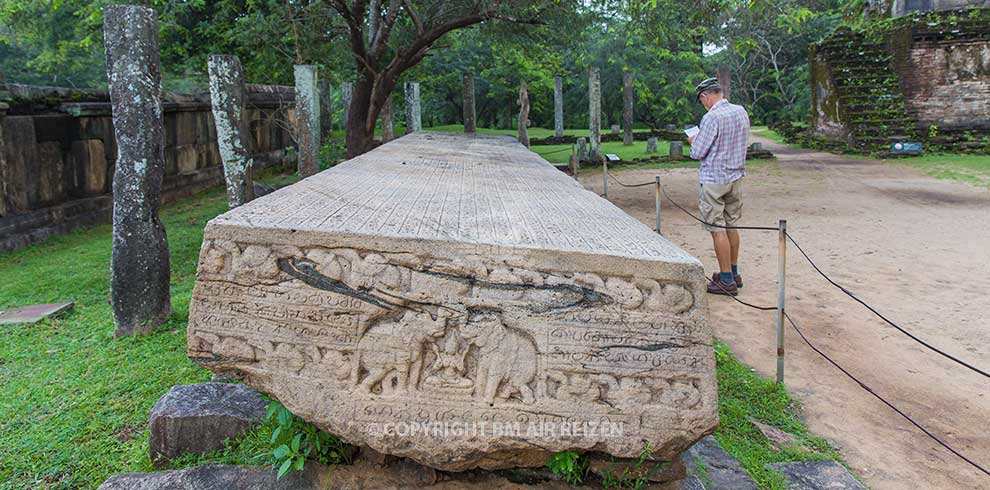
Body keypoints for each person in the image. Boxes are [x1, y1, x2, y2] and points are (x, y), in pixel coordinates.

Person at [687, 77, 750, 296]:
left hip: (715, 178)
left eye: (702, 100)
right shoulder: (740, 111)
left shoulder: (711, 117)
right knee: (731, 224)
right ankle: (733, 272)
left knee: (717, 228)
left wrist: (693, 140)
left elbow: (698, 153)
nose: (703, 104)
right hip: (736, 175)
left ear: (706, 96)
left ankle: (726, 280)